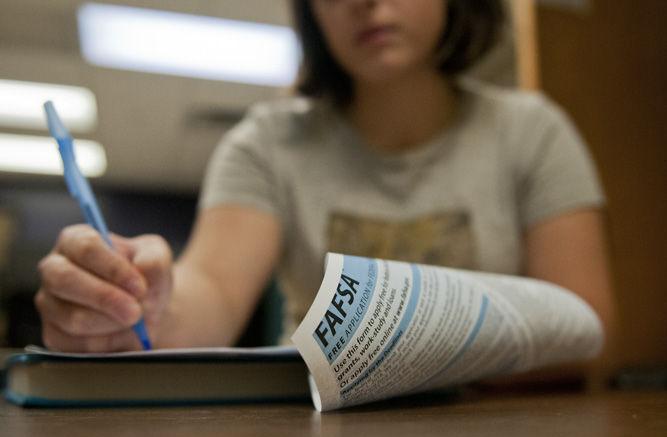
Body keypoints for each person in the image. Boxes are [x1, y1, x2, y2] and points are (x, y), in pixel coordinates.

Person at [34, 0, 616, 378]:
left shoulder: (533, 132)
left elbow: (587, 327)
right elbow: (209, 291)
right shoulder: (266, 143)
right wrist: (142, 301)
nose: (366, 3)